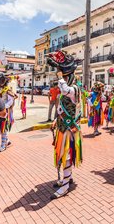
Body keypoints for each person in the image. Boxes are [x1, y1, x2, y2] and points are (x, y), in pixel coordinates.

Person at [47, 50, 82, 200]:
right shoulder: (67, 88)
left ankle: (66, 185)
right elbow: (61, 106)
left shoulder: (74, 89)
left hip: (70, 129)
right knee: (62, 155)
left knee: (66, 155)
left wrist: (60, 76)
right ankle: (67, 178)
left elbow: (65, 90)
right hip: (62, 126)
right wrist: (56, 120)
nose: (61, 76)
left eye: (64, 75)